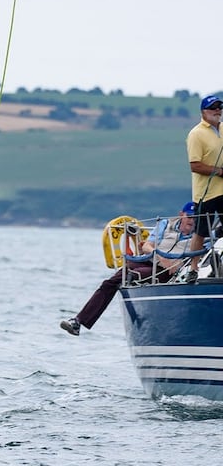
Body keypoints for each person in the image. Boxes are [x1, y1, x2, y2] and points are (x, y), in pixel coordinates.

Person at [60, 202, 197, 336]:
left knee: (131, 274)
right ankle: (78, 321)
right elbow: (147, 246)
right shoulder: (165, 224)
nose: (192, 220)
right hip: (149, 260)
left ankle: (82, 321)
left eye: (196, 218)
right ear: (181, 215)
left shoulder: (200, 236)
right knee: (110, 282)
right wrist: (162, 257)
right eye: (189, 216)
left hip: (167, 271)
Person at [186, 95, 223, 276]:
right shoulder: (196, 133)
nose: (217, 110)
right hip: (206, 193)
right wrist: (219, 171)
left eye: (219, 107)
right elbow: (195, 165)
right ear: (203, 112)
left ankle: (218, 263)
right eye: (213, 107)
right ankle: (194, 267)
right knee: (200, 232)